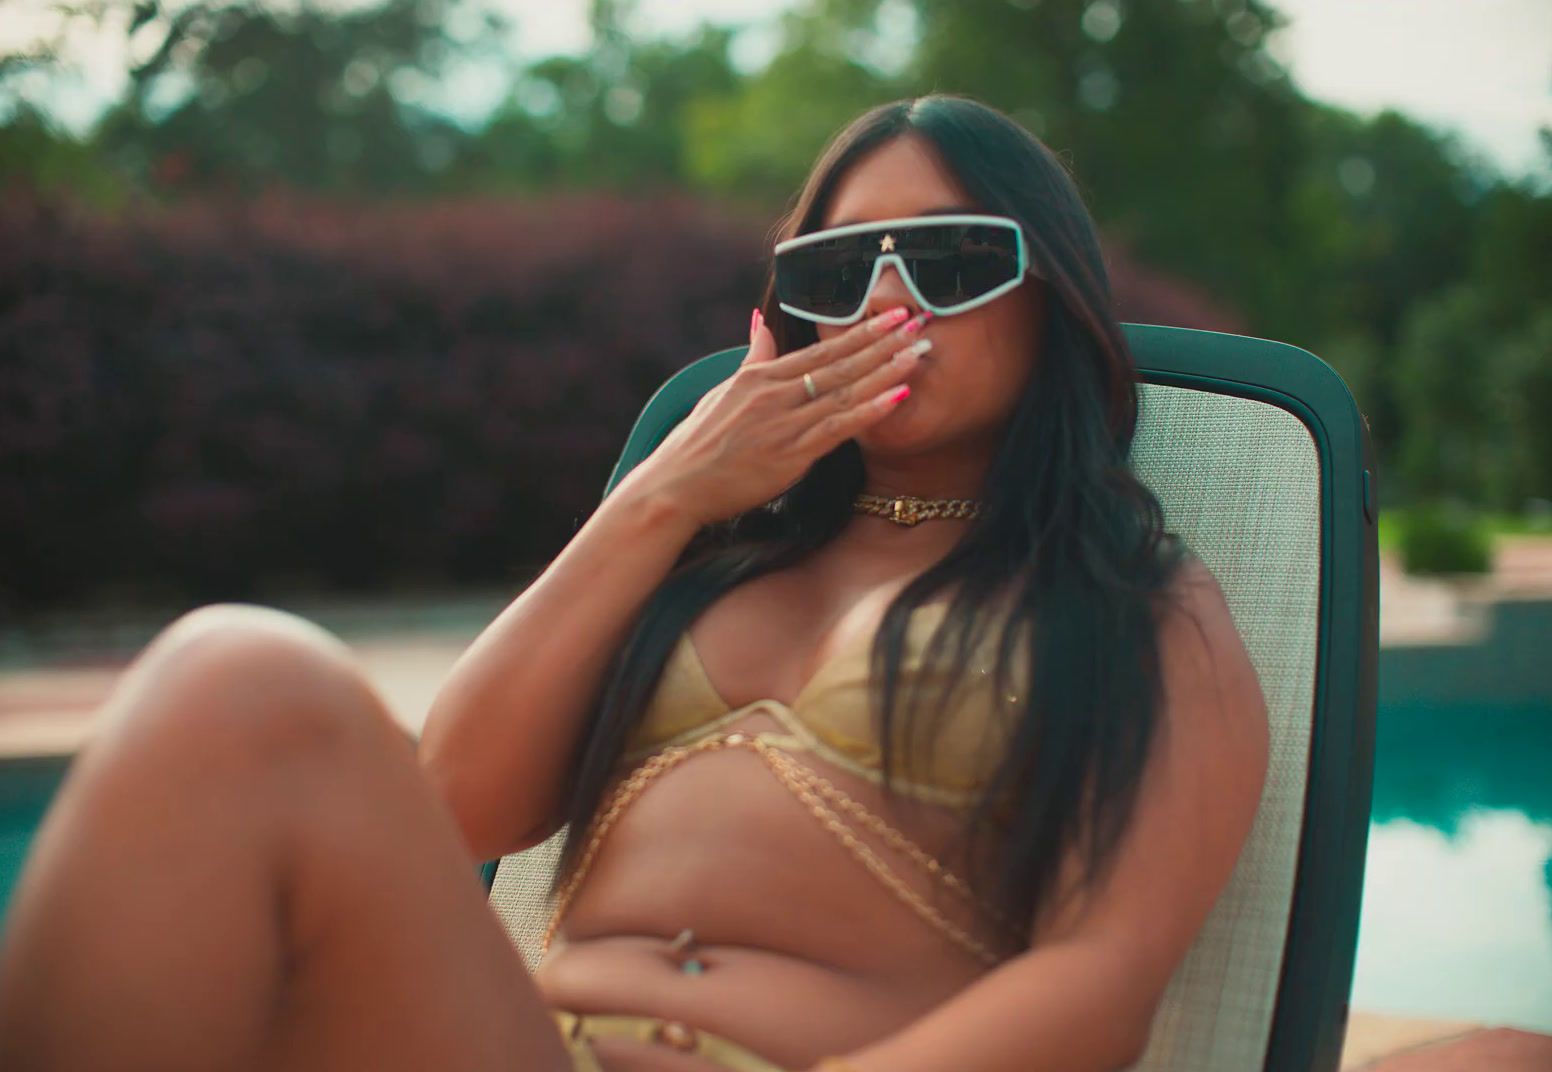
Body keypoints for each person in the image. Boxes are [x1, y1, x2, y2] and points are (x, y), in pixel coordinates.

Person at [0, 95, 1268, 1072]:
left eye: (945, 258)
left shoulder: (1132, 604)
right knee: (236, 681)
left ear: (1050, 290)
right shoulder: (710, 556)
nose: (888, 298)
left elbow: (1101, 982)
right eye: (837, 271)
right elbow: (451, 802)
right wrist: (664, 492)